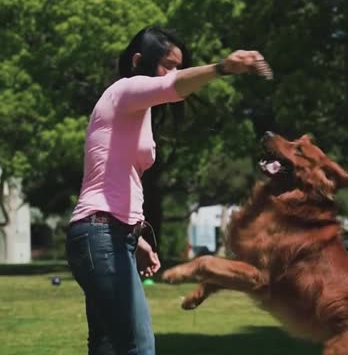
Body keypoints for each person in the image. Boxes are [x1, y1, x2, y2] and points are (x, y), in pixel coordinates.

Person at [65, 26, 267, 354]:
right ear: (138, 61)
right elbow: (171, 86)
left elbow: (114, 177)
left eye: (178, 65)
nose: (173, 73)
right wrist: (222, 68)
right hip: (101, 235)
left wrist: (136, 236)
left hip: (106, 236)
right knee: (138, 346)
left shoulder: (135, 111)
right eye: (168, 65)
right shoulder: (125, 91)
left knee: (107, 346)